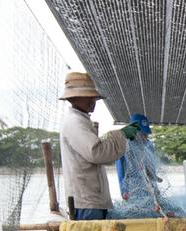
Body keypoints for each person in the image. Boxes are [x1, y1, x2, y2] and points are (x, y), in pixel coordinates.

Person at [58, 71, 139, 220]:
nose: (92, 101)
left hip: (92, 201)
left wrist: (118, 135)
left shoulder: (81, 120)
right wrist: (122, 134)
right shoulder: (75, 122)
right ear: (74, 98)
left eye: (93, 97)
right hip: (86, 203)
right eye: (87, 97)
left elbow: (98, 151)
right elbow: (96, 152)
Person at [116, 113, 162, 199]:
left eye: (146, 133)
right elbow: (121, 170)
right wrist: (124, 190)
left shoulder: (149, 145)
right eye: (142, 133)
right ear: (133, 131)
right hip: (132, 187)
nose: (145, 136)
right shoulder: (124, 145)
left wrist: (155, 186)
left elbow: (151, 167)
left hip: (148, 186)